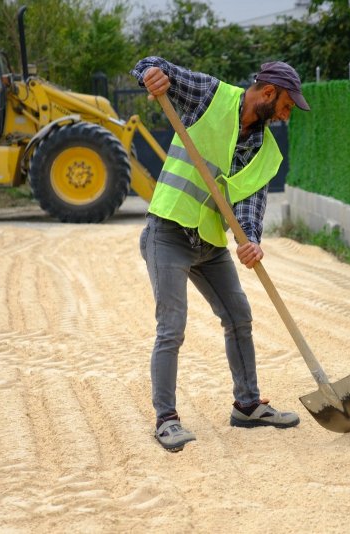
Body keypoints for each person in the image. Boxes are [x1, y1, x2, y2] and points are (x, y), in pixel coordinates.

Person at [132, 57, 311, 452]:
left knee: (238, 315)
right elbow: (153, 64)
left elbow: (248, 204)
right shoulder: (211, 96)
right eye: (285, 106)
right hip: (168, 231)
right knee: (172, 326)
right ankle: (166, 419)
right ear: (268, 92)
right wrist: (150, 74)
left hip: (209, 243)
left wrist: (251, 241)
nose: (286, 115)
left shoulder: (265, 150)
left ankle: (248, 405)